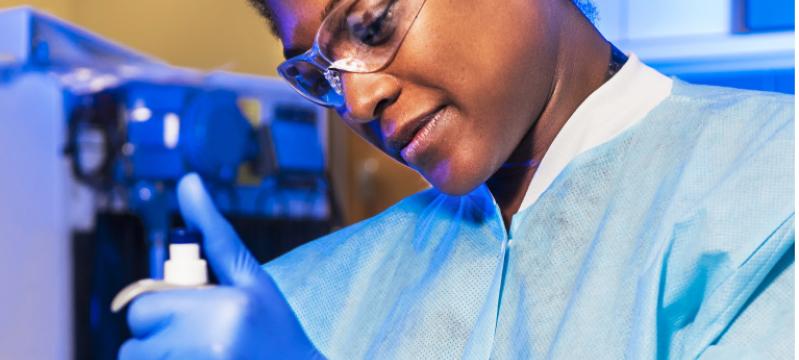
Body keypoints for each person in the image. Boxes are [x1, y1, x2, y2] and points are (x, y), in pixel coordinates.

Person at [119, 0, 795, 358]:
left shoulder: (766, 183)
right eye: (319, 75)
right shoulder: (301, 298)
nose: (356, 104)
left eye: (373, 24)